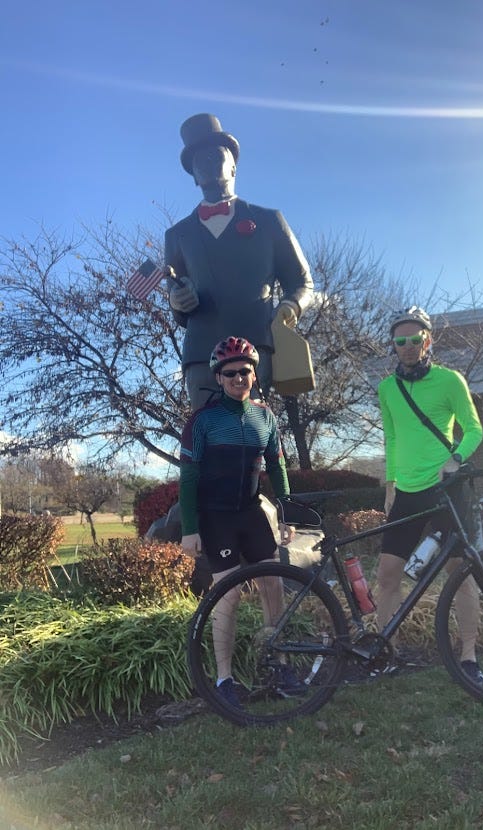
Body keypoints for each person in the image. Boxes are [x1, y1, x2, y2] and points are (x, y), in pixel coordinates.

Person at [179, 336, 305, 706]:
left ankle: (279, 665)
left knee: (273, 586)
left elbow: (277, 467)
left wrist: (285, 513)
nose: (238, 378)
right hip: (216, 517)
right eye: (230, 373)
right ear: (218, 378)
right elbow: (188, 479)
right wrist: (190, 529)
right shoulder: (202, 421)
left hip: (251, 513)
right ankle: (225, 679)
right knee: (229, 594)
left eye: (244, 371)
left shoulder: (264, 417)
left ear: (254, 374)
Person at [165, 113, 315, 409]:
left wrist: (289, 307)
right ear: (193, 176)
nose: (206, 161)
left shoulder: (269, 221)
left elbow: (302, 282)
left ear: (233, 164)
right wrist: (177, 301)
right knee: (207, 430)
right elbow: (178, 307)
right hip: (200, 354)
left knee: (251, 428)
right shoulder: (177, 235)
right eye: (198, 159)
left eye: (215, 154)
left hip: (254, 347)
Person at [376, 306, 483, 683]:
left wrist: (455, 459)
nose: (407, 346)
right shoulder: (387, 389)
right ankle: (386, 654)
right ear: (393, 345)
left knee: (459, 573)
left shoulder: (450, 380)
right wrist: (390, 485)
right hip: (406, 493)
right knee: (387, 575)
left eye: (415, 339)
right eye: (400, 341)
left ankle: (469, 656)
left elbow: (474, 429)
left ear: (428, 340)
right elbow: (392, 438)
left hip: (445, 491)